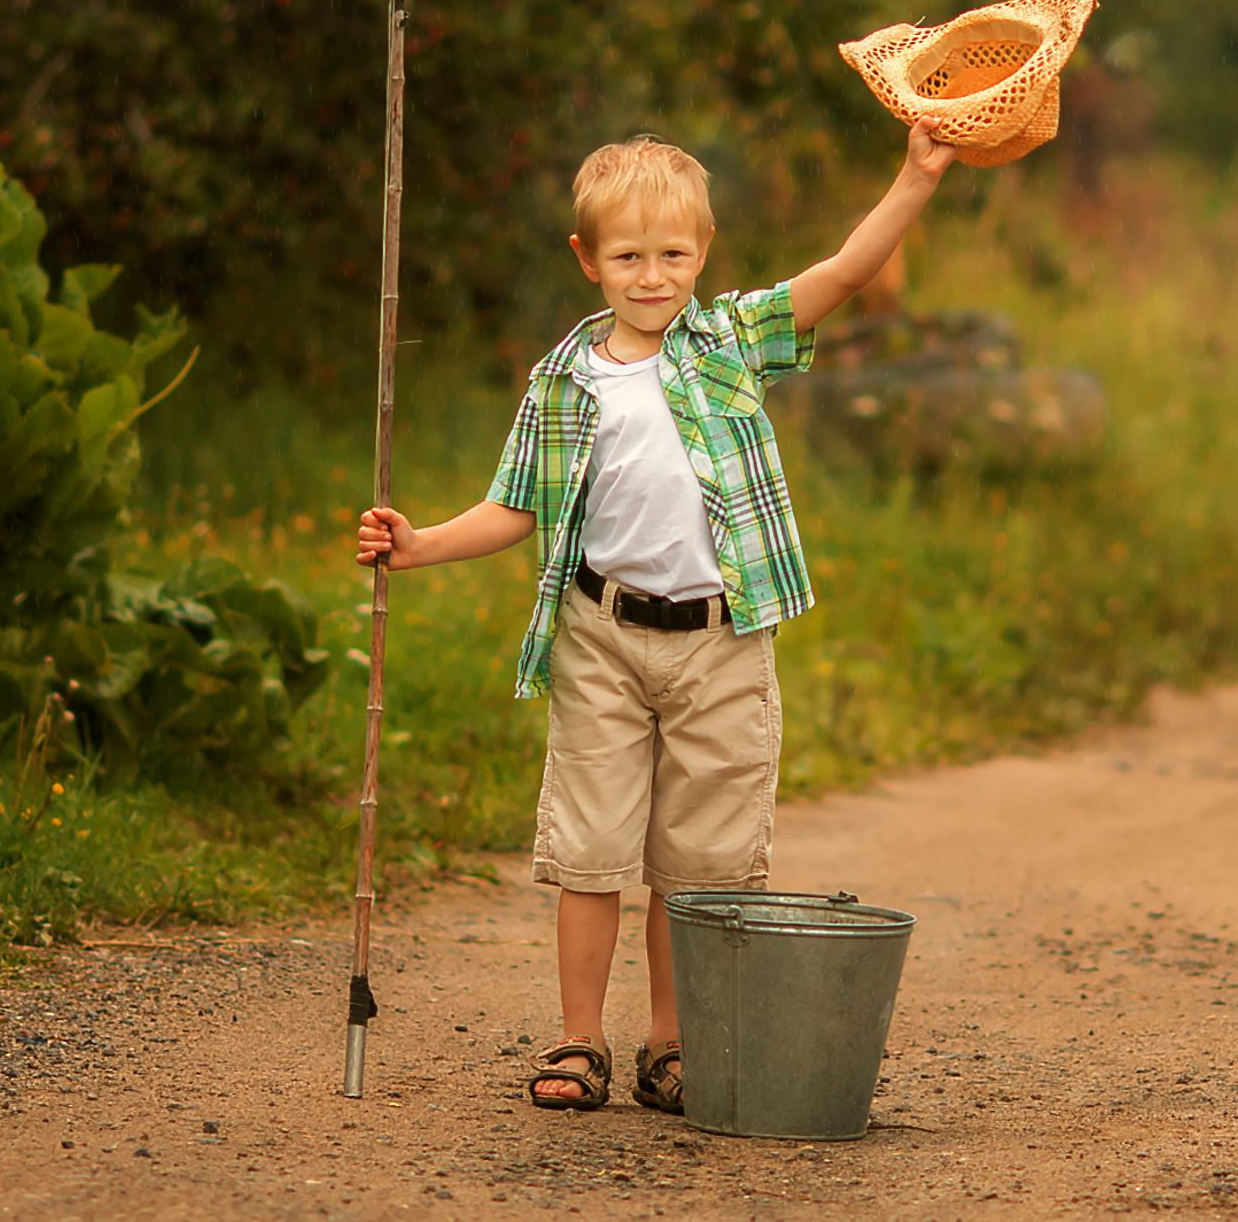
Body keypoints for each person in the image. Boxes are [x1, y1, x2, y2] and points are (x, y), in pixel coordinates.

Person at [354, 119, 958, 1113]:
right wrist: (418, 544)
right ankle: (578, 1040)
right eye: (627, 256)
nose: (651, 276)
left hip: (721, 641)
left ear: (702, 255)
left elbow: (847, 271)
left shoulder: (728, 340)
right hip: (601, 638)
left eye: (672, 255)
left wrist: (916, 175)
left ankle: (671, 1045)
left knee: (700, 863)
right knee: (591, 852)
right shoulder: (566, 381)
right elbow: (517, 507)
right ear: (587, 260)